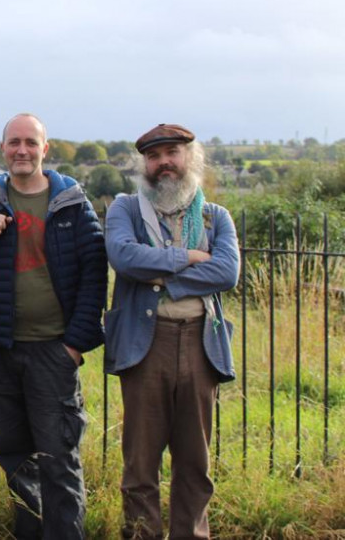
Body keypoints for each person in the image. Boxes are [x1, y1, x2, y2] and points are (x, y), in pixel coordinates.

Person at [0, 113, 107, 540]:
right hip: (0, 350)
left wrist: (74, 346)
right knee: (16, 457)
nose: (22, 150)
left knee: (59, 459)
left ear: (44, 149)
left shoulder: (73, 204)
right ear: (3, 149)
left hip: (52, 351)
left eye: (30, 143)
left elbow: (95, 278)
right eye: (14, 142)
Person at [104, 124, 240, 539]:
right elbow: (124, 257)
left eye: (172, 153)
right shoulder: (125, 209)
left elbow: (227, 271)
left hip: (200, 343)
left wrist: (164, 278)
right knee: (141, 464)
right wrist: (189, 258)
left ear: (190, 158)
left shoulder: (216, 217)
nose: (163, 162)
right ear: (144, 164)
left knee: (194, 463)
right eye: (154, 155)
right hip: (147, 345)